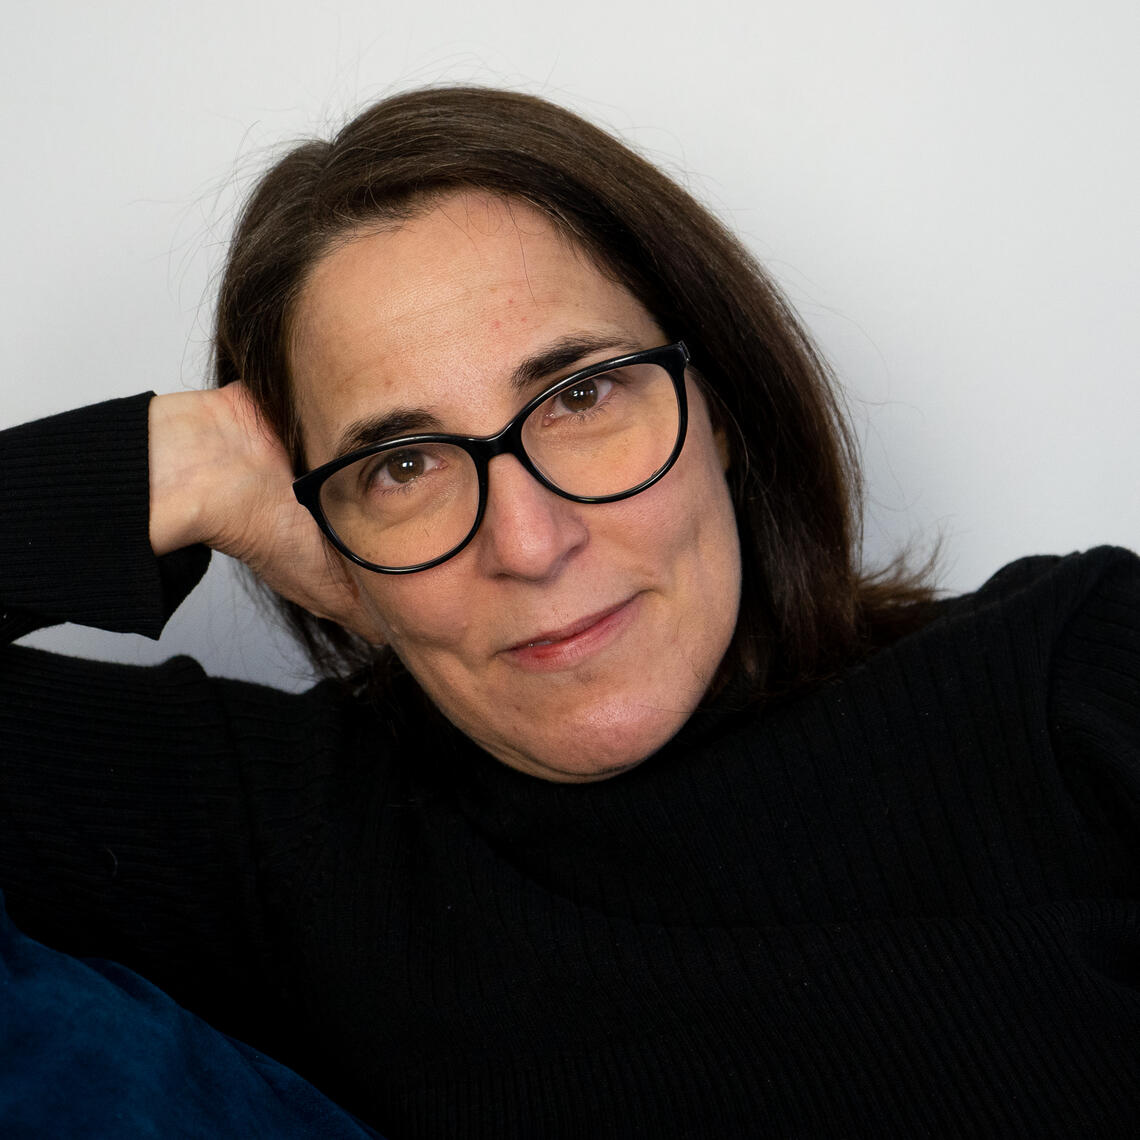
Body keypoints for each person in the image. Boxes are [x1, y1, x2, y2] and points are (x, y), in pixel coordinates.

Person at [1, 85, 1138, 1138]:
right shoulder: (282, 843)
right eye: (402, 464)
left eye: (580, 394)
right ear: (318, 526)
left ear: (720, 400)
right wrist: (172, 464)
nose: (531, 544)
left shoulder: (1075, 673)